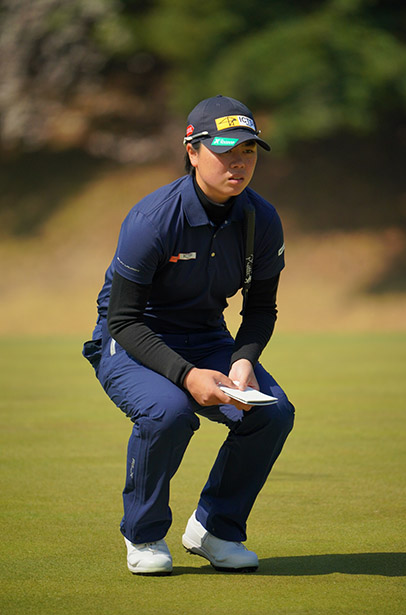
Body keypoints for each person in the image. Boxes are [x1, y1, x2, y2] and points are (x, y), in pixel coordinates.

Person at [83, 94, 295, 576]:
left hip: (206, 337)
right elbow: (123, 320)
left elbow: (261, 309)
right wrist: (187, 376)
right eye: (225, 150)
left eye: (248, 150)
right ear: (193, 151)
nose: (238, 162)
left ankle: (214, 530)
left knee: (272, 413)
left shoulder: (261, 219)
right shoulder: (152, 219)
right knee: (170, 411)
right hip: (132, 339)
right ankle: (143, 534)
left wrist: (242, 359)